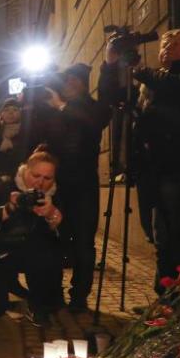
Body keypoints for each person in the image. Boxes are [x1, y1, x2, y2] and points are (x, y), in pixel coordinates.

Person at [99, 28, 180, 292]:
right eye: (165, 43)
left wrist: (140, 69)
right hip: (150, 169)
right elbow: (111, 98)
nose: (166, 47)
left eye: (175, 43)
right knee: (156, 233)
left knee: (172, 232)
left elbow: (177, 88)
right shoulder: (152, 83)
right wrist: (110, 64)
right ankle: (167, 292)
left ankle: (170, 295)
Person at [45, 63, 111, 312]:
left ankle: (79, 296)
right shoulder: (56, 109)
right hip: (57, 184)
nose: (64, 86)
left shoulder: (92, 108)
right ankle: (54, 293)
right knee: (55, 239)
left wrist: (62, 107)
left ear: (78, 82)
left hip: (83, 184)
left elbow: (93, 123)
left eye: (68, 81)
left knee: (83, 242)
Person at [0, 147, 65, 326]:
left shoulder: (55, 195)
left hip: (37, 255)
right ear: (25, 171)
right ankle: (6, 285)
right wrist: (9, 208)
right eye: (36, 175)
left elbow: (65, 237)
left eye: (47, 178)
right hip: (2, 249)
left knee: (39, 244)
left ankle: (37, 304)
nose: (40, 183)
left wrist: (52, 214)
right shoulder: (6, 185)